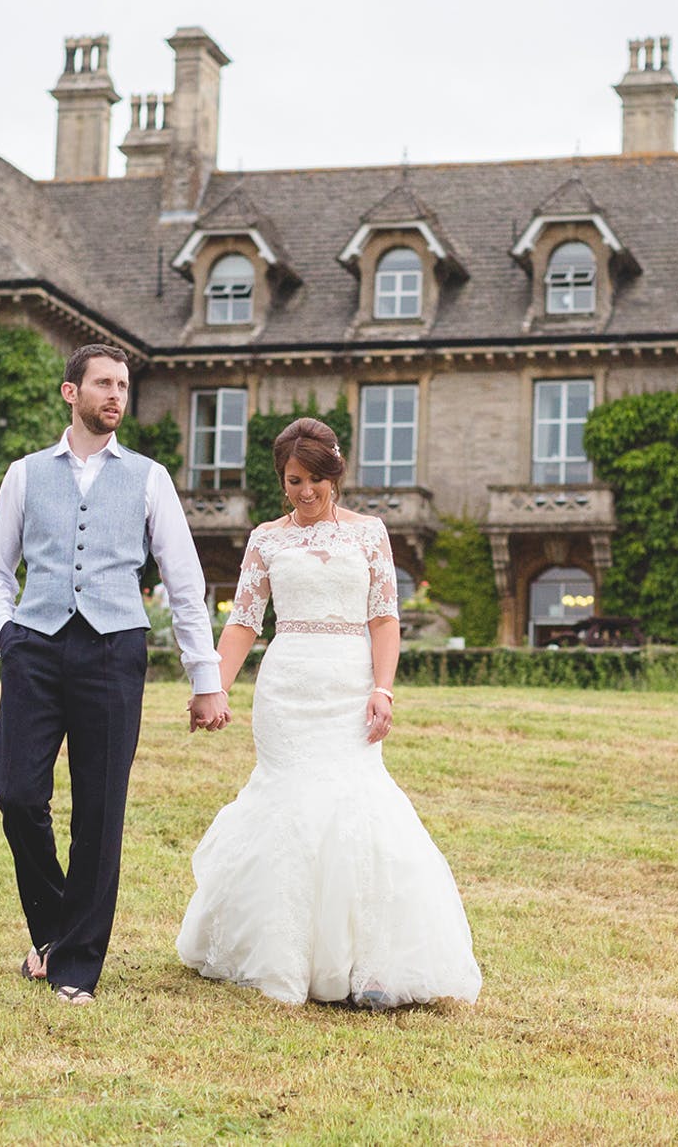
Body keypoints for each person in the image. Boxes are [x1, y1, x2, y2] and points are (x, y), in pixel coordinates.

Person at [176, 417, 481, 1009]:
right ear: (281, 480)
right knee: (288, 807)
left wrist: (383, 689)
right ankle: (284, 956)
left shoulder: (370, 534)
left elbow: (384, 618)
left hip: (350, 686)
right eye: (294, 480)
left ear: (334, 476)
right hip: (286, 689)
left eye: (315, 480)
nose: (305, 492)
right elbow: (243, 622)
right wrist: (213, 687)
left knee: (357, 806)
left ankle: (369, 962)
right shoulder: (266, 539)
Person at [0, 343, 224, 1007]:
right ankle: (57, 928)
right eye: (104, 384)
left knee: (100, 810)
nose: (116, 394)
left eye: (123, 385)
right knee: (16, 793)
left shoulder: (149, 478)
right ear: (72, 393)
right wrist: (4, 633)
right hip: (35, 646)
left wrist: (205, 677)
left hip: (114, 651)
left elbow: (183, 580)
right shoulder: (26, 475)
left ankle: (74, 968)